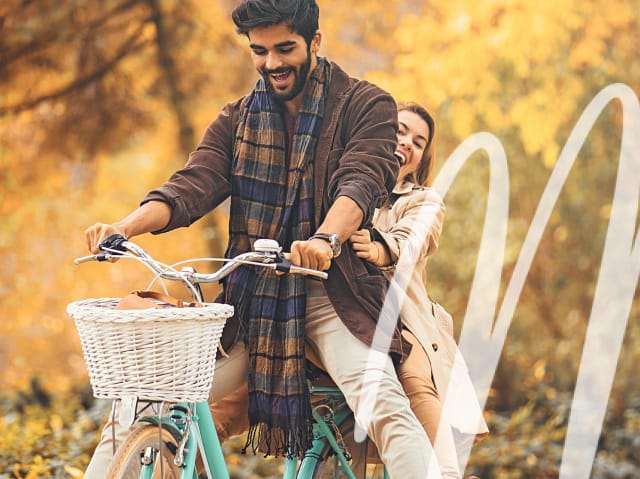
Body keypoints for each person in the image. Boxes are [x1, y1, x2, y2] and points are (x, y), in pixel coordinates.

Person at [81, 1, 442, 477]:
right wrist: (125, 227)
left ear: (314, 41)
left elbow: (359, 181)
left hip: (333, 295)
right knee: (146, 400)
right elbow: (192, 184)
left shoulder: (366, 106)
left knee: (385, 409)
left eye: (285, 48)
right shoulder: (237, 119)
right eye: (260, 51)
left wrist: (325, 240)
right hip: (253, 302)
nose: (272, 63)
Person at [350, 102, 489, 478]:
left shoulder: (423, 201)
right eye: (400, 130)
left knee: (412, 375)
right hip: (342, 317)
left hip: (403, 324)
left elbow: (411, 242)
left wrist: (379, 249)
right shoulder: (343, 185)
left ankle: (446, 472)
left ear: (422, 157)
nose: (407, 142)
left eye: (418, 141)